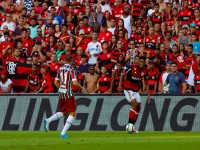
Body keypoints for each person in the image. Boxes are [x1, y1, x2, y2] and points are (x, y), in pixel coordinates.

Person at [44, 54, 85, 138]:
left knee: (64, 112)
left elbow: (55, 82)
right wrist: (82, 88)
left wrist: (61, 89)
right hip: (68, 93)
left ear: (65, 60)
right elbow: (74, 83)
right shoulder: (72, 70)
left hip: (61, 93)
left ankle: (48, 120)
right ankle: (63, 133)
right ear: (71, 60)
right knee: (73, 112)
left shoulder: (60, 69)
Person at [119, 56, 150, 133]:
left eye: (143, 62)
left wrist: (148, 95)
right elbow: (123, 74)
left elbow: (146, 83)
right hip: (128, 89)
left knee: (138, 108)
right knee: (135, 104)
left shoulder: (145, 70)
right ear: (138, 61)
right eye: (141, 61)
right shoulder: (132, 67)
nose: (142, 63)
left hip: (135, 90)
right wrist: (120, 85)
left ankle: (132, 126)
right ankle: (129, 124)